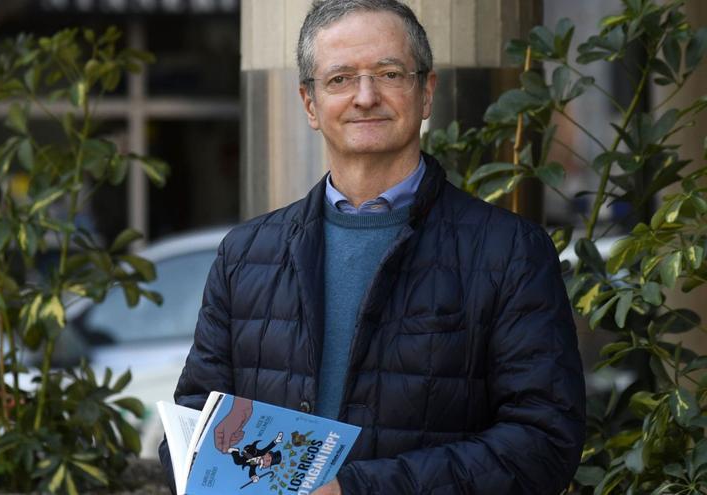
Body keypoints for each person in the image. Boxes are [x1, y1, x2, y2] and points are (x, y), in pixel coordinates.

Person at [160, 0, 586, 493]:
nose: (365, 96)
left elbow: (543, 441)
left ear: (426, 93)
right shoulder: (245, 254)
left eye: (389, 73)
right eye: (340, 78)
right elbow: (191, 424)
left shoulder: (510, 252)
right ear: (310, 104)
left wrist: (357, 490)